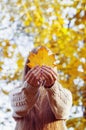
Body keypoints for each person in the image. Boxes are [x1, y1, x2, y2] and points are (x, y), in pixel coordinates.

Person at [10, 46, 72, 130]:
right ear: (28, 67)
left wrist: (52, 87)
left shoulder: (65, 94)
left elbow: (62, 111)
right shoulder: (16, 93)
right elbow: (21, 107)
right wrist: (30, 87)